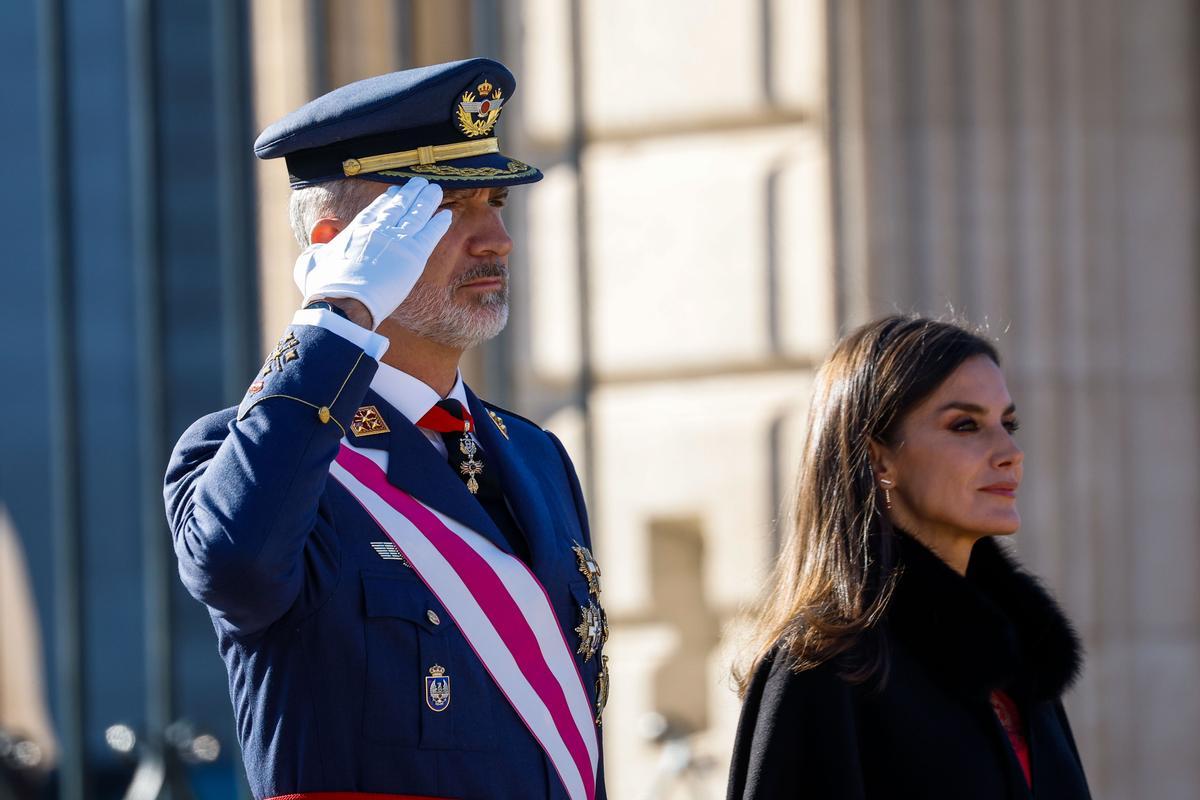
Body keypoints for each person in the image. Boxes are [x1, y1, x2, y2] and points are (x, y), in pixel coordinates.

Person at [164, 58, 607, 800]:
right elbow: (236, 569)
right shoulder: (244, 454)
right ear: (339, 245)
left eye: (495, 201)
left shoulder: (534, 453)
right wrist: (336, 318)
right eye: (447, 209)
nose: (496, 238)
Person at [726, 315, 1091, 799]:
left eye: (1008, 424)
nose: (1010, 452)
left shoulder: (1022, 662)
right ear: (879, 458)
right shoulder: (827, 666)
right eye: (966, 425)